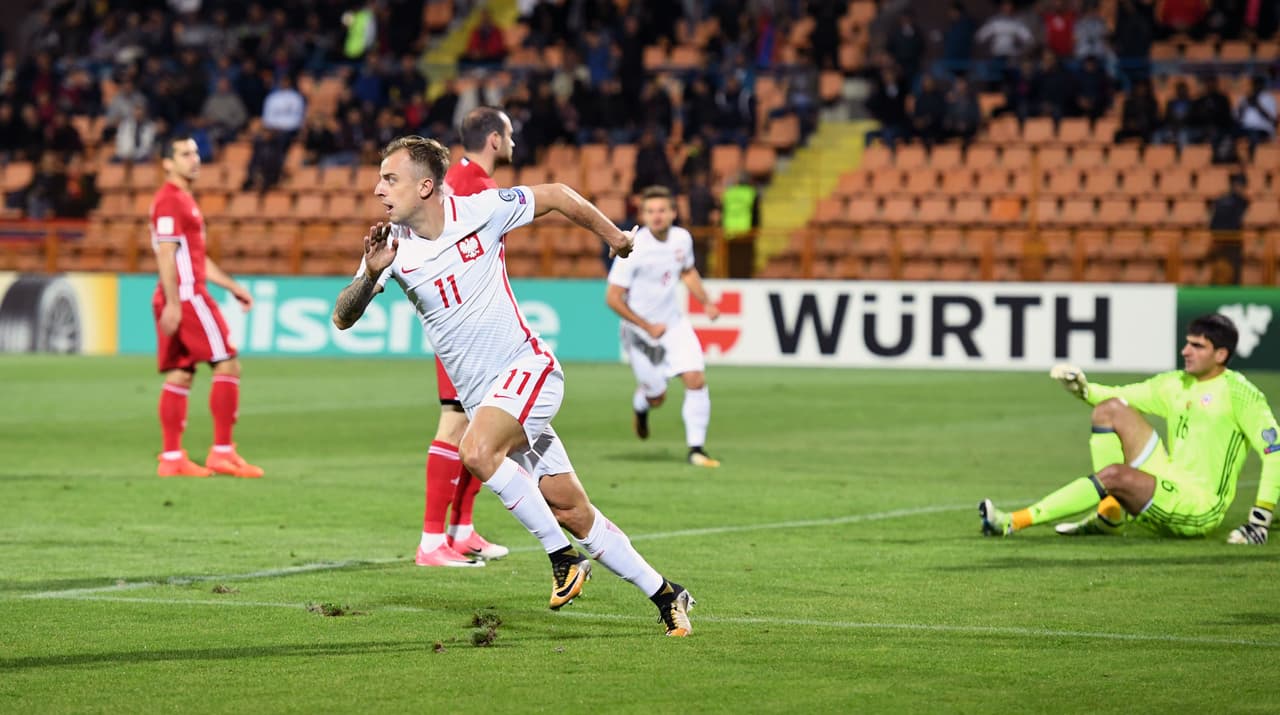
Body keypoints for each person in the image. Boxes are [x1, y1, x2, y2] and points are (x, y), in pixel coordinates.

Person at [331, 136, 695, 636]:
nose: (378, 189)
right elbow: (342, 317)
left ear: (426, 185)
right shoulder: (392, 251)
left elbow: (560, 195)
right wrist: (368, 276)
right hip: (494, 401)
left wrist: (614, 238)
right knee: (571, 508)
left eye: (389, 178)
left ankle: (562, 561)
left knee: (475, 451)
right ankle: (666, 594)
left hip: (530, 368)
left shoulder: (481, 210)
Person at [979, 314, 1279, 544]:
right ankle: (1111, 512)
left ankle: (1012, 522)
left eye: (1197, 346)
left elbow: (1275, 453)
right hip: (1168, 478)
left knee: (1113, 476)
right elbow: (1121, 395)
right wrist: (1082, 388)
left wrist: (1259, 521)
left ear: (1221, 355)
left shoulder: (1241, 394)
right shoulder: (1175, 383)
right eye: (1187, 342)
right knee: (1109, 410)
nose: (1185, 350)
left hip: (1198, 505)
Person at [413, 107, 514, 567]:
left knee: (481, 425)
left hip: (478, 324)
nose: (513, 141)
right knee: (455, 424)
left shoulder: (462, 178)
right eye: (510, 134)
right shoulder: (472, 184)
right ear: (494, 139)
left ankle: (460, 529)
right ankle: (432, 540)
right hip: (463, 326)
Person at [150, 135, 263, 479]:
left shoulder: (183, 199)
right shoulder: (170, 201)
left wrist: (232, 287)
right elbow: (167, 254)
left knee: (182, 372)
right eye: (184, 154)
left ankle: (171, 458)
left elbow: (195, 259)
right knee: (228, 364)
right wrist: (173, 302)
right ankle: (222, 452)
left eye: (196, 153)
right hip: (185, 295)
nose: (194, 159)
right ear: (167, 163)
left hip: (180, 293)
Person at [606, 186, 722, 468]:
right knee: (657, 396)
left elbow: (687, 270)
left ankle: (697, 449)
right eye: (650, 211)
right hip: (639, 333)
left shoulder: (682, 238)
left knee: (695, 378)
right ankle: (642, 405)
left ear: (673, 213)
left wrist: (705, 301)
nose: (656, 216)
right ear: (642, 215)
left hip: (673, 324)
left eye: (661, 210)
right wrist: (647, 326)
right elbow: (612, 298)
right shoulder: (632, 247)